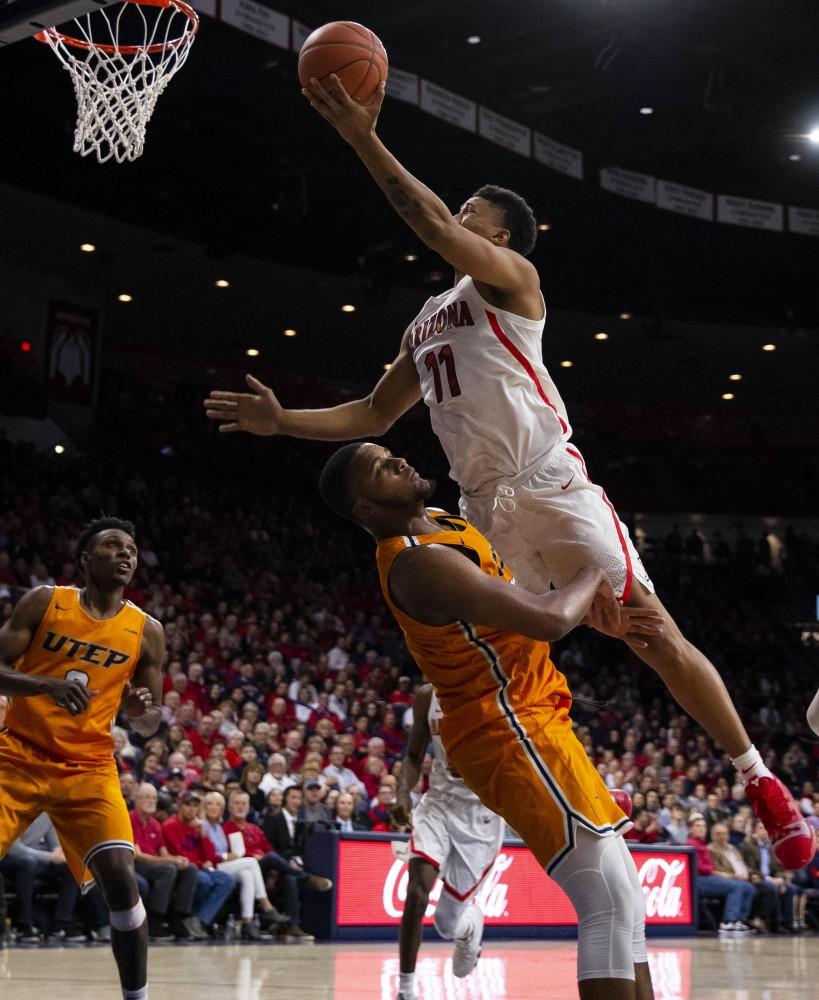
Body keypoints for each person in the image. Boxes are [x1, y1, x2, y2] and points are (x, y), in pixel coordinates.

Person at [205, 78, 811, 872]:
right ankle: (552, 798)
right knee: (514, 657)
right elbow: (371, 416)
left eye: (472, 213)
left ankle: (759, 782)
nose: (455, 215)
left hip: (549, 482)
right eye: (459, 209)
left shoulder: (510, 284)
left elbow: (421, 219)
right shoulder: (424, 318)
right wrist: (282, 423)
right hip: (482, 505)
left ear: (504, 238)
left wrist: (361, 136)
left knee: (650, 632)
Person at [313, 443, 663, 999]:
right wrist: (599, 559)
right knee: (603, 898)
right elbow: (548, 620)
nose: (399, 461)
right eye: (382, 468)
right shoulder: (416, 562)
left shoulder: (447, 523)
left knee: (624, 896)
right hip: (505, 728)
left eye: (390, 454)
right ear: (366, 509)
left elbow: (525, 600)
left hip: (534, 709)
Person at [0, 517, 166, 1000]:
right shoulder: (46, 601)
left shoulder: (146, 631)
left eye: (132, 549)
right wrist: (44, 685)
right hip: (19, 754)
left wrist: (139, 713)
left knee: (120, 875)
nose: (126, 554)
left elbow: (151, 723)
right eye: (112, 546)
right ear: (84, 560)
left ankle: (138, 997)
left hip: (89, 767)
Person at [391, 685, 504, 999]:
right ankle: (406, 990)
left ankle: (468, 925)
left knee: (445, 924)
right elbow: (414, 755)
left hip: (480, 814)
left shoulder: (493, 694)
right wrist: (403, 794)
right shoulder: (427, 696)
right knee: (416, 893)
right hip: (438, 805)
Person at [199, 791, 282, 940]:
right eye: (210, 804)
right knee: (251, 862)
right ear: (204, 807)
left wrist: (228, 857)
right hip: (213, 866)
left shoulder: (217, 827)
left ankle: (247, 922)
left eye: (218, 804)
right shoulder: (203, 826)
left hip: (224, 864)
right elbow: (208, 855)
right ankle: (265, 904)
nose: (214, 807)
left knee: (247, 875)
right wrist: (225, 856)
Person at [129, 783, 200, 941]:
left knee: (190, 869)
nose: (151, 801)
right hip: (134, 865)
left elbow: (164, 852)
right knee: (168, 870)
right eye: (146, 797)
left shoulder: (154, 824)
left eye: (154, 798)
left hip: (154, 864)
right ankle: (155, 920)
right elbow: (137, 855)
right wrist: (170, 860)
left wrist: (177, 860)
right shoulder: (129, 819)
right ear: (136, 800)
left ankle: (178, 917)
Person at [161, 789, 235, 938]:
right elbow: (180, 854)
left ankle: (198, 919)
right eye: (188, 805)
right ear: (180, 806)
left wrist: (204, 835)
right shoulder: (171, 825)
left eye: (195, 806)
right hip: (182, 868)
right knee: (204, 880)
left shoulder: (198, 826)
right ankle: (188, 917)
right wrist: (202, 864)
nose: (192, 809)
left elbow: (209, 856)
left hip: (200, 867)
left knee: (228, 880)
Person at [0, 813, 83, 943]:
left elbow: (54, 843)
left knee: (71, 866)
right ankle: (25, 925)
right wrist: (48, 857)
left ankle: (61, 923)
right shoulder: (16, 809)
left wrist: (58, 852)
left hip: (35, 858)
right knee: (28, 863)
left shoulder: (46, 814)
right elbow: (13, 848)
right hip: (7, 856)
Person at [265, 785, 334, 941]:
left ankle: (318, 923)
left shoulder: (303, 821)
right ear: (285, 800)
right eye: (293, 798)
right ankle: (293, 924)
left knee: (318, 871)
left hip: (298, 864)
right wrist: (287, 863)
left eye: (299, 798)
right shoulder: (273, 818)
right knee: (290, 877)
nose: (296, 801)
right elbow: (269, 848)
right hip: (277, 867)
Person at [687, 815, 755, 935]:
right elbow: (700, 868)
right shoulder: (691, 844)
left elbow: (708, 867)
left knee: (748, 887)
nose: (702, 829)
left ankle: (740, 920)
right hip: (698, 880)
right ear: (691, 829)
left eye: (704, 826)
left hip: (708, 877)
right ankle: (728, 921)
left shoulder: (702, 844)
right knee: (735, 886)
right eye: (698, 826)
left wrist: (710, 869)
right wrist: (711, 869)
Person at [708, 821, 777, 932]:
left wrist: (752, 875)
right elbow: (716, 870)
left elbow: (743, 865)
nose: (722, 836)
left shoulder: (733, 848)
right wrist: (734, 876)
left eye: (725, 833)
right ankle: (732, 920)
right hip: (730, 879)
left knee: (769, 888)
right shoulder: (711, 850)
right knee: (747, 888)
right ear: (712, 835)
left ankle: (744, 920)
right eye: (718, 833)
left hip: (744, 878)